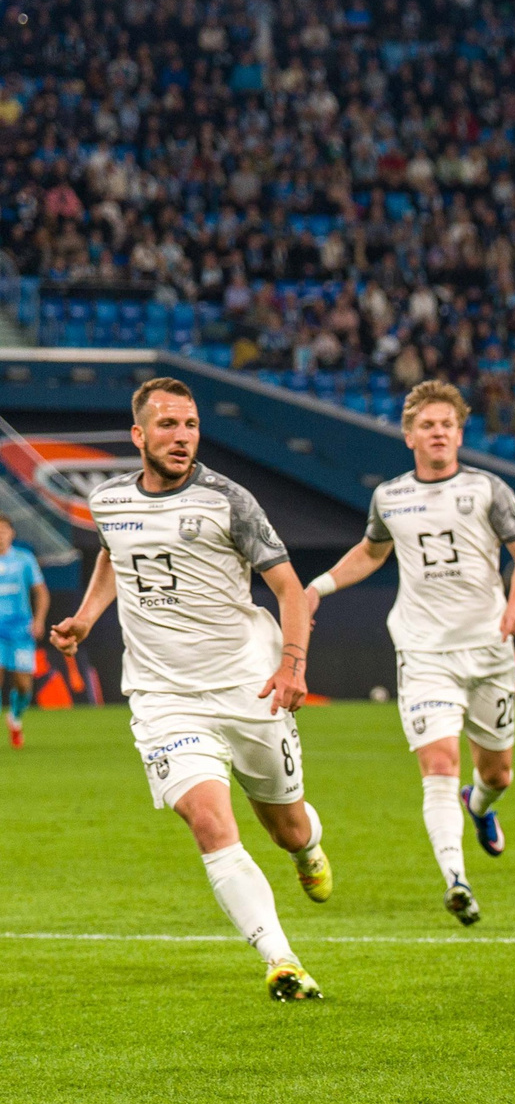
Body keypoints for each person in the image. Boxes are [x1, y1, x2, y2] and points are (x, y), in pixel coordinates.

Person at [48, 378, 330, 1001]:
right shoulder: (109, 501)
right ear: (138, 435)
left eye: (192, 425)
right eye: (169, 425)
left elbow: (288, 588)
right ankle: (281, 960)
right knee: (207, 818)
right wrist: (89, 617)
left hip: (246, 687)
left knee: (284, 827)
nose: (182, 437)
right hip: (163, 697)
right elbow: (112, 555)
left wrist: (292, 667)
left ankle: (308, 846)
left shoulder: (229, 501)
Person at [305, 381, 515, 928]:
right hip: (424, 649)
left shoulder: (488, 490)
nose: (439, 433)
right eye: (429, 425)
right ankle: (456, 880)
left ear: (460, 434)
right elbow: (370, 553)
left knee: (497, 773)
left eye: (448, 425)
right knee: (438, 761)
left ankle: (479, 806)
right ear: (410, 435)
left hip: (489, 649)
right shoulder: (390, 497)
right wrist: (318, 587)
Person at [0, 515, 47, 748]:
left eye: (3, 531)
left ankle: (15, 718)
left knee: (23, 685)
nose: (0, 536)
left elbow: (41, 592)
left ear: (11, 533)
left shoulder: (24, 559)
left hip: (20, 631)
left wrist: (38, 620)